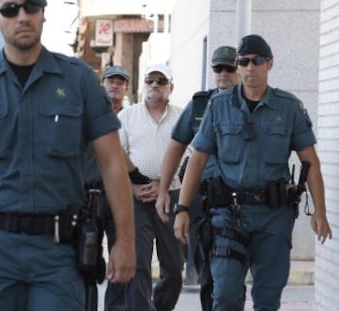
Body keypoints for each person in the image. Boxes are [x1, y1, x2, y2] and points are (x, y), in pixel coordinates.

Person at [0, 1, 136, 310]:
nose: (22, 16)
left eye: (31, 5)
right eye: (10, 8)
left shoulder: (78, 81)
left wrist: (126, 241)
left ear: (43, 12)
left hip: (58, 254)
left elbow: (112, 162)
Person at [174, 34, 332, 311]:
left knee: (267, 299)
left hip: (274, 216)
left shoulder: (288, 107)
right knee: (223, 295)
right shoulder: (219, 106)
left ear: (269, 63)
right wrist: (182, 208)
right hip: (228, 214)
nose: (249, 68)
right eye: (243, 62)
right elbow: (197, 159)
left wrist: (320, 212)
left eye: (256, 61)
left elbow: (311, 161)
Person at [155, 45, 239, 311]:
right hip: (205, 202)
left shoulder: (250, 102)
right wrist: (164, 190)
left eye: (229, 67)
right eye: (218, 68)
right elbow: (176, 147)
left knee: (233, 277)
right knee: (209, 275)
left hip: (242, 201)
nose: (223, 73)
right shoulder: (201, 103)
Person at [117, 63, 185, 311]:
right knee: (139, 265)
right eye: (150, 80)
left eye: (161, 80)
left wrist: (164, 186)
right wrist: (133, 188)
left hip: (172, 196)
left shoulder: (182, 116)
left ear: (171, 87)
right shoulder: (127, 116)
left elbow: (189, 157)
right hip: (137, 197)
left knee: (175, 268)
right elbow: (116, 156)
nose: (155, 85)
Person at [83, 65, 131, 311]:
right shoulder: (87, 114)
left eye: (120, 82)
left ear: (126, 88)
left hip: (119, 197)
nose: (115, 85)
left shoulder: (132, 118)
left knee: (120, 260)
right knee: (87, 261)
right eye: (111, 81)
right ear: (103, 84)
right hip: (89, 198)